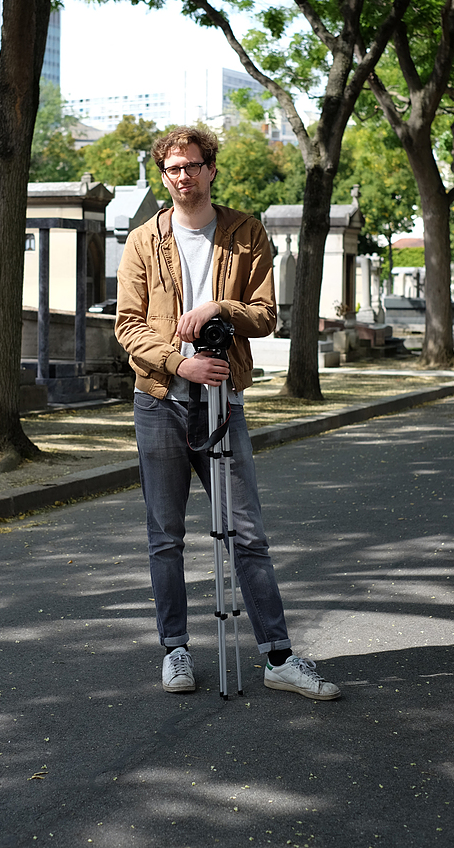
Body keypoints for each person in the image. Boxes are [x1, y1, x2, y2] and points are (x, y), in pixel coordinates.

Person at [115, 125, 340, 701]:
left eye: (192, 165)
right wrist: (178, 362)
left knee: (246, 533)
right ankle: (176, 651)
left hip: (223, 403)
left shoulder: (245, 232)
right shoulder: (143, 241)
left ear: (211, 169)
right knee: (165, 535)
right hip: (161, 400)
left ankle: (278, 657)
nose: (183, 176)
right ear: (162, 176)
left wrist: (219, 307)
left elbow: (265, 314)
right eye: (172, 169)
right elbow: (128, 326)